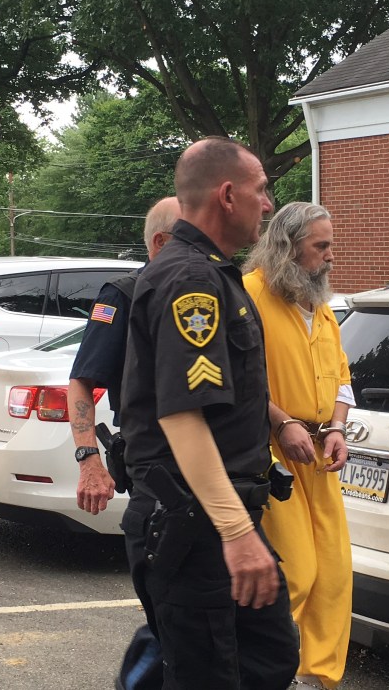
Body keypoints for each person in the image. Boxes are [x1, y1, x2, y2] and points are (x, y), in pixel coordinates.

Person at [119, 136, 300, 689]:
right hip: (196, 526)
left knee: (266, 658)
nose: (268, 203)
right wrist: (236, 532)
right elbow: (182, 417)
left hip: (214, 520)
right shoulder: (191, 280)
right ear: (227, 195)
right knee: (215, 674)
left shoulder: (214, 274)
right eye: (262, 190)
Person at [67, 196, 180, 690]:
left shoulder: (209, 288)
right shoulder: (125, 295)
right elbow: (83, 382)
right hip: (156, 478)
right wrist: (89, 459)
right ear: (160, 243)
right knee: (171, 618)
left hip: (215, 481)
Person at [242, 202, 353, 690]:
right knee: (296, 573)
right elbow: (239, 379)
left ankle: (318, 678)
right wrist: (283, 422)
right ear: (288, 246)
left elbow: (343, 380)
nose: (330, 256)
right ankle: (252, 669)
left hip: (319, 455)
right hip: (271, 455)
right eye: (321, 246)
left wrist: (336, 428)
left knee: (332, 575)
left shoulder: (320, 305)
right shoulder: (248, 295)